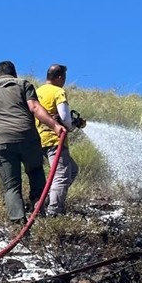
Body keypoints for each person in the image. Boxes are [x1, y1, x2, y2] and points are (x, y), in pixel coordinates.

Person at [0, 61, 66, 224]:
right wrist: (55, 126)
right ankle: (39, 215)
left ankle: (18, 224)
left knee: (11, 186)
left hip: (1, 144)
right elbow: (35, 108)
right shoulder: (22, 84)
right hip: (27, 138)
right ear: (14, 73)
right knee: (36, 172)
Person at [35, 64, 86, 216]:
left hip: (38, 139)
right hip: (54, 139)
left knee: (72, 170)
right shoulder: (58, 91)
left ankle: (46, 201)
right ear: (60, 77)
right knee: (61, 177)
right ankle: (53, 212)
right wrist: (73, 125)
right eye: (64, 78)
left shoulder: (37, 92)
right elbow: (65, 118)